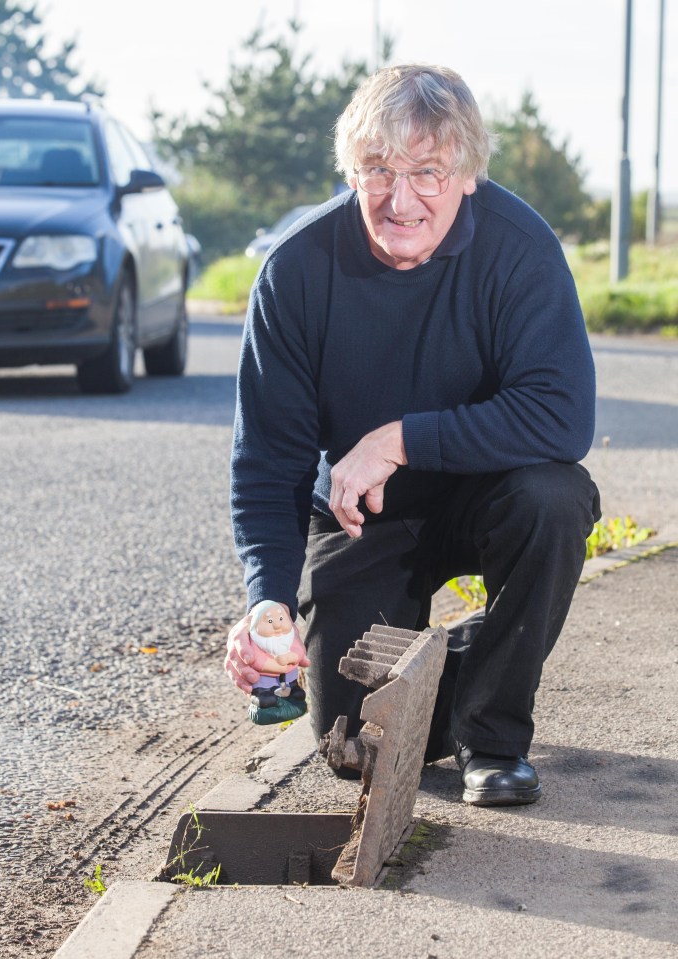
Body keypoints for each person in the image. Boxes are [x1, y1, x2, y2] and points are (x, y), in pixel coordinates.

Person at [225, 63, 600, 806]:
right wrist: (266, 601)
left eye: (428, 171)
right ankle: (471, 660)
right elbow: (269, 465)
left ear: (466, 175)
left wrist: (399, 438)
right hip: (360, 514)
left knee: (553, 497)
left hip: (491, 490)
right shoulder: (296, 273)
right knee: (351, 741)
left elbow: (564, 415)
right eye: (378, 170)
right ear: (351, 172)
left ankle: (491, 737)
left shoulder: (519, 248)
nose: (401, 199)